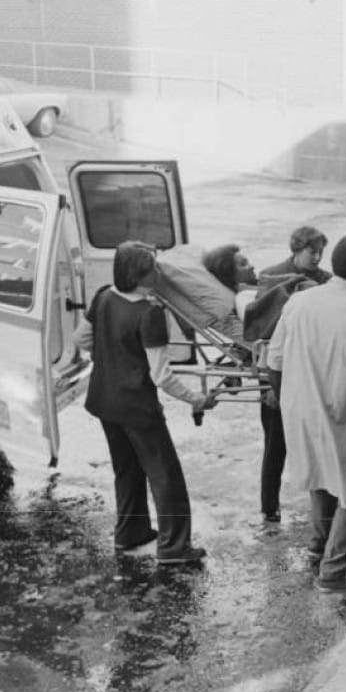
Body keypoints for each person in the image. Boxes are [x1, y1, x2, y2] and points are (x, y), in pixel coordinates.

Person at [266, 234, 346, 593]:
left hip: (299, 411)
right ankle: (334, 571)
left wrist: (289, 401)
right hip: (341, 414)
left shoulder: (299, 302)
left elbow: (274, 361)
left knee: (321, 478)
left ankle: (317, 549)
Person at [75, 241, 217, 565]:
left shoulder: (103, 296)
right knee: (166, 475)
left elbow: (80, 338)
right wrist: (197, 399)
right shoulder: (149, 314)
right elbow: (162, 376)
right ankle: (174, 546)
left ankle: (131, 532)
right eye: (153, 268)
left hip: (104, 401)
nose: (159, 272)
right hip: (137, 408)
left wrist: (108, 357)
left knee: (126, 470)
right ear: (139, 275)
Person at [256, 226, 332, 523]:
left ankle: (322, 507)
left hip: (311, 370)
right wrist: (268, 383)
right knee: (275, 444)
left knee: (318, 442)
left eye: (320, 252)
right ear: (297, 249)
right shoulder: (271, 276)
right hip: (277, 365)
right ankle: (269, 506)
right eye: (312, 252)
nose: (317, 258)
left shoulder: (326, 280)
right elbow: (262, 329)